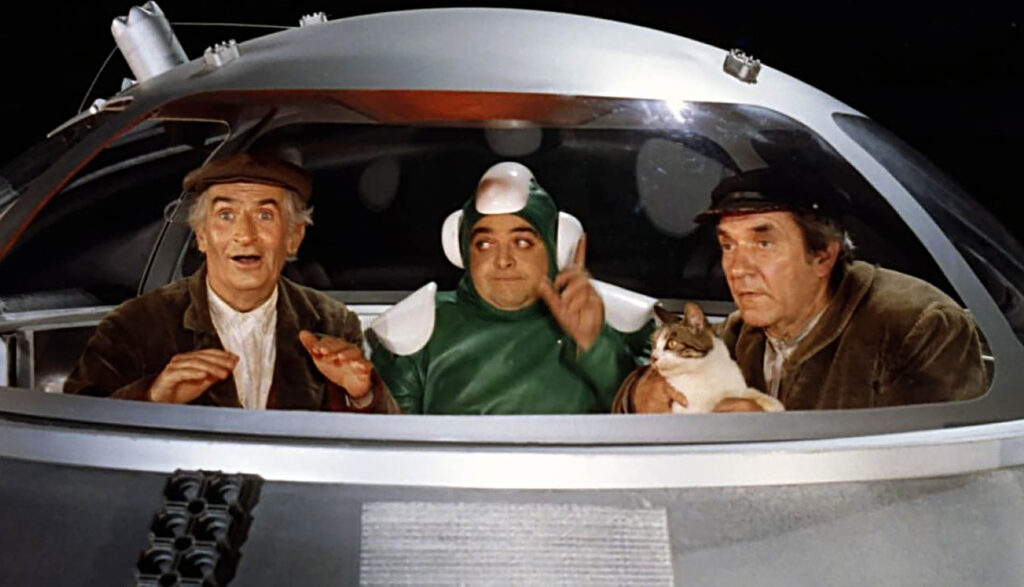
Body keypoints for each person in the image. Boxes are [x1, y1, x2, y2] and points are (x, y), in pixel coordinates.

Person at [622, 166, 987, 412]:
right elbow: (641, 393)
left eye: (763, 244)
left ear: (823, 256)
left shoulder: (917, 326)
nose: (736, 268)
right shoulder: (741, 333)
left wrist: (768, 441)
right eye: (728, 245)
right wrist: (642, 394)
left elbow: (936, 478)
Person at [65, 153, 399, 413]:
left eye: (265, 215)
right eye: (226, 216)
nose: (245, 235)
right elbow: (77, 430)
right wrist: (152, 397)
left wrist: (362, 395)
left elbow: (374, 449)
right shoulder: (134, 324)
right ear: (201, 235)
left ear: (294, 237)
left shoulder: (332, 321)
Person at [368, 162, 654, 414]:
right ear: (463, 250)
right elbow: (387, 442)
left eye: (522, 242)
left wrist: (596, 346)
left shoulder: (618, 325)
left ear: (556, 246)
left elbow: (650, 422)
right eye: (485, 244)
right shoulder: (416, 333)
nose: (503, 260)